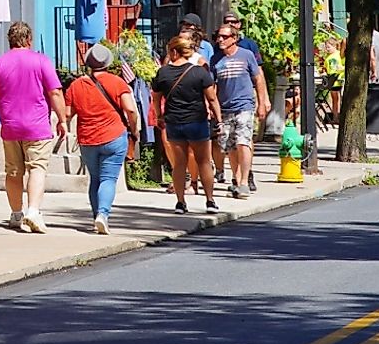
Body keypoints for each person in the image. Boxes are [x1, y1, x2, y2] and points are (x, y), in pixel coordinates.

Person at [0, 19, 70, 234]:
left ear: (10, 41)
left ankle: (16, 214)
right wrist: (62, 120)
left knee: (13, 171)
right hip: (37, 126)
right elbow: (55, 92)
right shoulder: (41, 61)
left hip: (10, 127)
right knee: (37, 167)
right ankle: (33, 211)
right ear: (29, 39)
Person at [64, 42, 142, 234]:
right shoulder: (117, 82)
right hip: (114, 136)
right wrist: (135, 129)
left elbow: (67, 114)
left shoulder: (76, 85)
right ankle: (103, 214)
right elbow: (130, 109)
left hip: (88, 139)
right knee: (109, 179)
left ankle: (95, 217)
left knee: (95, 179)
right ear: (108, 62)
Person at [151, 33, 222, 212]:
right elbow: (212, 99)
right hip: (197, 121)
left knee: (179, 163)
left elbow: (156, 98)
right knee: (204, 161)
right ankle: (210, 200)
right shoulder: (199, 72)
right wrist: (218, 119)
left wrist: (159, 116)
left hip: (174, 121)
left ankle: (181, 202)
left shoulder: (163, 73)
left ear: (174, 52)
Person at [209, 18, 271, 198]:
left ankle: (244, 181)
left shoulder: (246, 55)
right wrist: (211, 106)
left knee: (243, 141)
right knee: (230, 147)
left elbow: (258, 78)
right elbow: (212, 85)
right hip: (225, 108)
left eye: (223, 36)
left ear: (234, 38)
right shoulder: (215, 59)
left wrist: (261, 102)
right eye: (217, 37)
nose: (219, 40)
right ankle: (236, 179)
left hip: (244, 105)